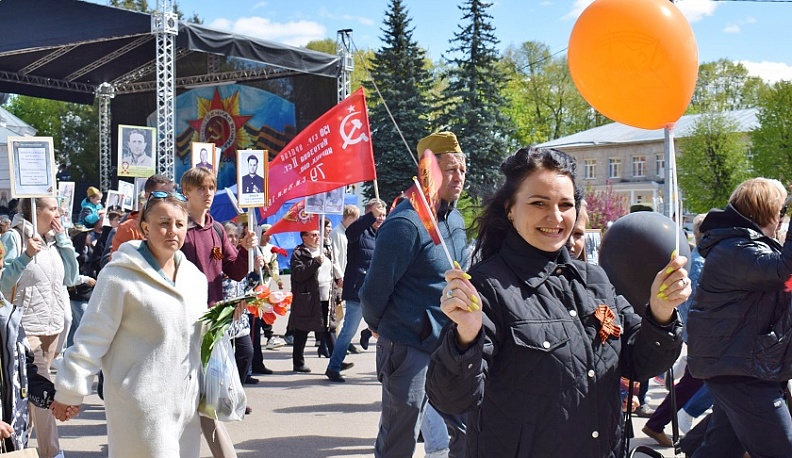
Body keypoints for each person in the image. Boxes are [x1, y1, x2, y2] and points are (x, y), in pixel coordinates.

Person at [425, 146, 690, 457]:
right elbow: (452, 399)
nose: (555, 217)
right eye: (539, 203)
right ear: (510, 209)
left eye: (566, 204)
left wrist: (660, 315)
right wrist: (466, 337)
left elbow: (640, 363)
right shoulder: (487, 286)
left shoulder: (595, 281)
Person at [51, 191, 207, 458]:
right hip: (141, 407)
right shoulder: (119, 276)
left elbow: (195, 337)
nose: (173, 231)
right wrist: (70, 390)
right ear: (145, 228)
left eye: (180, 224)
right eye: (163, 223)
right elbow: (91, 337)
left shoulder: (194, 278)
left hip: (186, 407)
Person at [360, 131, 469, 458]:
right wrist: (382, 326)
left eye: (462, 169)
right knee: (400, 437)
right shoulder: (405, 223)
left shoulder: (456, 220)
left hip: (450, 345)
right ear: (428, 171)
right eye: (450, 169)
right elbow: (373, 293)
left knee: (467, 429)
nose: (459, 177)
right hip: (408, 348)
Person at [686, 178, 792, 458]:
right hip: (742, 372)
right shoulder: (736, 248)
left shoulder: (744, 246)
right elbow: (783, 272)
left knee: (720, 450)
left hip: (741, 367)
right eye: (782, 210)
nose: (783, 219)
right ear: (767, 211)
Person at [180, 166, 258, 458]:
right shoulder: (180, 230)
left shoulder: (216, 229)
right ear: (186, 192)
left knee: (208, 398)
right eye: (201, 188)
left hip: (212, 324)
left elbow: (236, 272)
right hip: (184, 322)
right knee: (192, 397)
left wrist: (246, 249)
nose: (208, 193)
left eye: (211, 188)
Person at [0, 197, 80, 458]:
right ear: (36, 211)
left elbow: (70, 277)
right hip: (26, 330)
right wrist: (26, 255)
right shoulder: (15, 237)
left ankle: (20, 450)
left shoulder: (54, 241)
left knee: (31, 400)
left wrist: (64, 240)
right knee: (44, 394)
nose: (58, 213)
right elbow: (4, 282)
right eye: (53, 208)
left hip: (53, 329)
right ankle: (52, 453)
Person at [643, 212, 709, 446]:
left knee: (698, 382)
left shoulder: (698, 260)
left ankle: (659, 423)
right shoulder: (700, 264)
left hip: (701, 335)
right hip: (703, 336)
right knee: (698, 382)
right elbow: (696, 306)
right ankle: (660, 423)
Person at [325, 199, 385, 382]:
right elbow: (351, 231)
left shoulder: (381, 234)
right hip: (357, 288)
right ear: (369, 214)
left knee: (387, 327)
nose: (381, 218)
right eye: (377, 214)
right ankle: (334, 367)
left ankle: (369, 335)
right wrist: (370, 216)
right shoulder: (359, 231)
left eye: (383, 214)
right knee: (348, 331)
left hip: (376, 291)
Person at [289, 229, 334, 373]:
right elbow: (299, 274)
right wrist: (314, 262)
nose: (317, 237)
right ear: (304, 237)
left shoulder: (324, 250)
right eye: (313, 235)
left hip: (326, 294)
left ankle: (336, 361)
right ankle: (298, 362)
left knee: (329, 327)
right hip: (308, 297)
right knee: (302, 329)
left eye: (318, 234)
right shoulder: (299, 253)